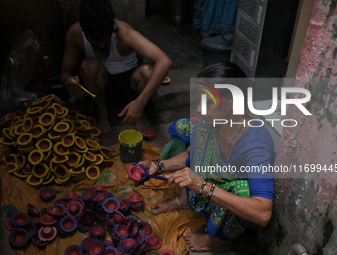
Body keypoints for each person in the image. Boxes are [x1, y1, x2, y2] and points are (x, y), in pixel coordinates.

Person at [140, 61, 275, 252]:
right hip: (212, 187)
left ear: (232, 103)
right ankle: (186, 199)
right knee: (184, 127)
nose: (200, 109)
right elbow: (190, 154)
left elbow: (263, 213)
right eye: (200, 101)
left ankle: (220, 243)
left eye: (209, 102)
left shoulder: (254, 141)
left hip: (233, 203)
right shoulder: (212, 122)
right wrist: (156, 165)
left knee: (242, 190)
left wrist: (202, 186)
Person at [60, 0, 172, 137]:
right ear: (84, 30)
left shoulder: (123, 31)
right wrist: (69, 81)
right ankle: (102, 111)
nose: (101, 46)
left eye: (105, 40)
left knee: (148, 71)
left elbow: (164, 61)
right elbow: (65, 73)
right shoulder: (75, 33)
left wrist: (140, 103)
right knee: (88, 66)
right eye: (95, 42)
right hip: (99, 90)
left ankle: (139, 113)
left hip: (129, 86)